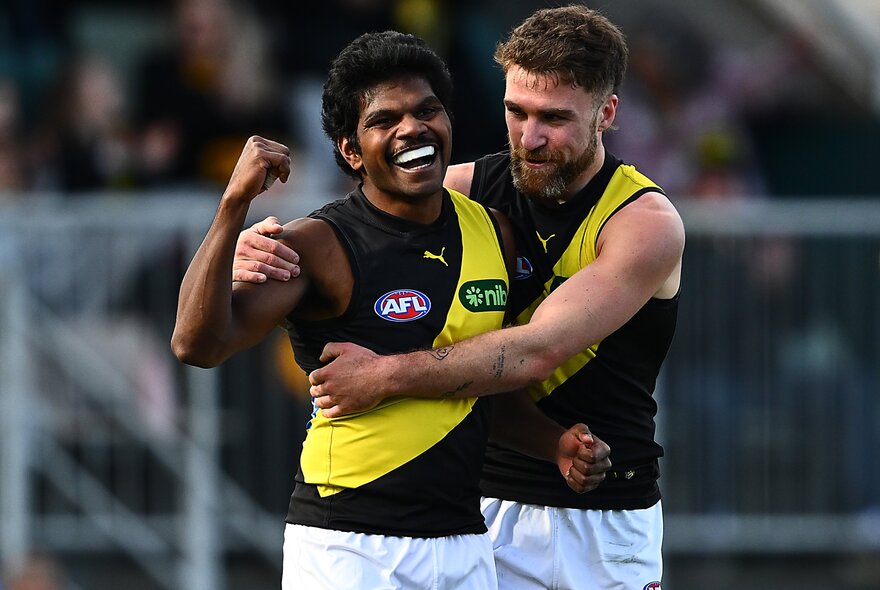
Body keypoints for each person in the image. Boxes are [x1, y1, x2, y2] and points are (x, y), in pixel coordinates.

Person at [233, 6, 685, 589]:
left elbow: (534, 351)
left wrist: (384, 376)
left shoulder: (644, 222)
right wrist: (266, 244)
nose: (530, 137)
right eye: (515, 112)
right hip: (484, 511)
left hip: (606, 518)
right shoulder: (465, 190)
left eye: (554, 118)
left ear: (607, 113)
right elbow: (358, 227)